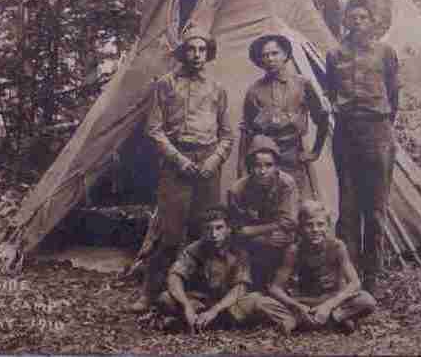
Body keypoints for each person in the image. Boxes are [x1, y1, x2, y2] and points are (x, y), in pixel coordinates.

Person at [130, 27, 234, 312]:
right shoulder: (165, 85)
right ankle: (150, 293)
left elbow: (227, 134)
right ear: (183, 52)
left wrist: (214, 160)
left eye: (202, 50)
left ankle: (201, 291)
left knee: (207, 230)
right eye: (191, 49)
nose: (197, 55)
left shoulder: (217, 88)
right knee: (170, 232)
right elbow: (154, 129)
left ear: (208, 54)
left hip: (208, 164)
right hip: (177, 162)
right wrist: (179, 160)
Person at [325, 0, 400, 292]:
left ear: (371, 21)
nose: (357, 23)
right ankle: (349, 273)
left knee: (376, 207)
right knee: (348, 206)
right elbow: (331, 90)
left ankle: (373, 275)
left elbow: (394, 96)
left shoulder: (385, 52)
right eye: (352, 18)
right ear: (345, 21)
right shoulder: (334, 54)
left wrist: (381, 124)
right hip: (346, 132)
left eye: (363, 18)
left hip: (377, 131)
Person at [158, 205, 297, 334]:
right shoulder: (194, 249)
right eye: (208, 229)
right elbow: (174, 277)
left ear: (228, 229)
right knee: (165, 298)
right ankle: (206, 322)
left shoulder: (238, 251)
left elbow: (240, 287)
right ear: (202, 230)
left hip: (229, 303)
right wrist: (186, 306)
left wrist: (215, 310)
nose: (213, 234)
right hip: (200, 302)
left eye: (219, 228)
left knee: (257, 300)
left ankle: (293, 320)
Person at [240, 34, 329, 199]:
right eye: (265, 55)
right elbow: (247, 132)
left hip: (294, 156)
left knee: (298, 206)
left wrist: (315, 151)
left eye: (275, 53)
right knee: (269, 207)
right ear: (260, 61)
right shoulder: (254, 91)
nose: (270, 59)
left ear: (285, 55)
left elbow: (322, 117)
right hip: (264, 161)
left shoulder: (302, 84)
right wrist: (243, 169)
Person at [267, 200, 376, 334]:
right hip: (304, 301)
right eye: (309, 225)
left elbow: (355, 283)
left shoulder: (337, 246)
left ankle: (300, 322)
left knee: (367, 301)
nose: (315, 230)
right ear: (300, 228)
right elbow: (275, 287)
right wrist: (296, 306)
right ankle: (334, 321)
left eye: (320, 224)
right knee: (261, 302)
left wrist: (328, 306)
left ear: (328, 226)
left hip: (331, 299)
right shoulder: (294, 251)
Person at [228, 135, 299, 292]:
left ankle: (282, 287)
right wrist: (268, 232)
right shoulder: (237, 190)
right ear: (249, 167)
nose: (262, 171)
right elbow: (237, 230)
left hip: (278, 238)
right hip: (251, 243)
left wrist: (254, 231)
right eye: (257, 166)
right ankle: (243, 287)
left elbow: (290, 222)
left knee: (292, 246)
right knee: (239, 251)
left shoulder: (286, 184)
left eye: (269, 165)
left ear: (277, 167)